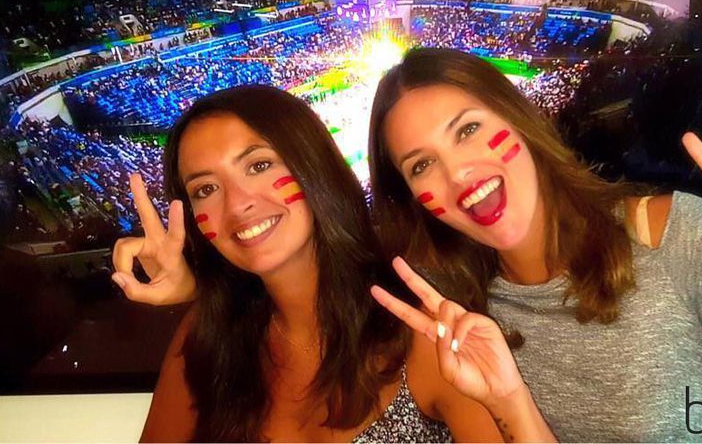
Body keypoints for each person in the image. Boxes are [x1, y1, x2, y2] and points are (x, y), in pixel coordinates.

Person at [365, 48, 702, 441]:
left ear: (519, 119)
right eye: (421, 165)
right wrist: (509, 400)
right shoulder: (459, 320)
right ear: (413, 200)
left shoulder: (678, 238)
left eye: (468, 129)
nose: (458, 174)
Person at [111, 84, 554, 442]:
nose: (238, 204)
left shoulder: (420, 334)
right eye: (206, 190)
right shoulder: (207, 335)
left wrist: (509, 399)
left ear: (313, 166)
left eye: (259, 165)